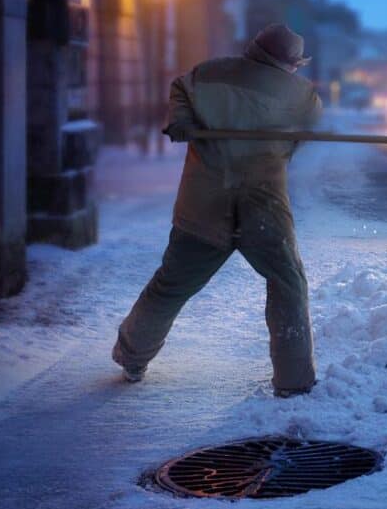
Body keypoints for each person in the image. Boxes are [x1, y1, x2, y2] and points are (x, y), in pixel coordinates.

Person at [112, 24, 323, 398]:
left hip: (203, 202)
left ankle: (132, 356)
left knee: (172, 284)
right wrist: (273, 151)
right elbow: (298, 139)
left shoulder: (207, 74)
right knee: (288, 284)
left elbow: (180, 90)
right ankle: (294, 381)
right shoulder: (302, 95)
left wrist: (183, 122)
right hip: (264, 206)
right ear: (292, 63)